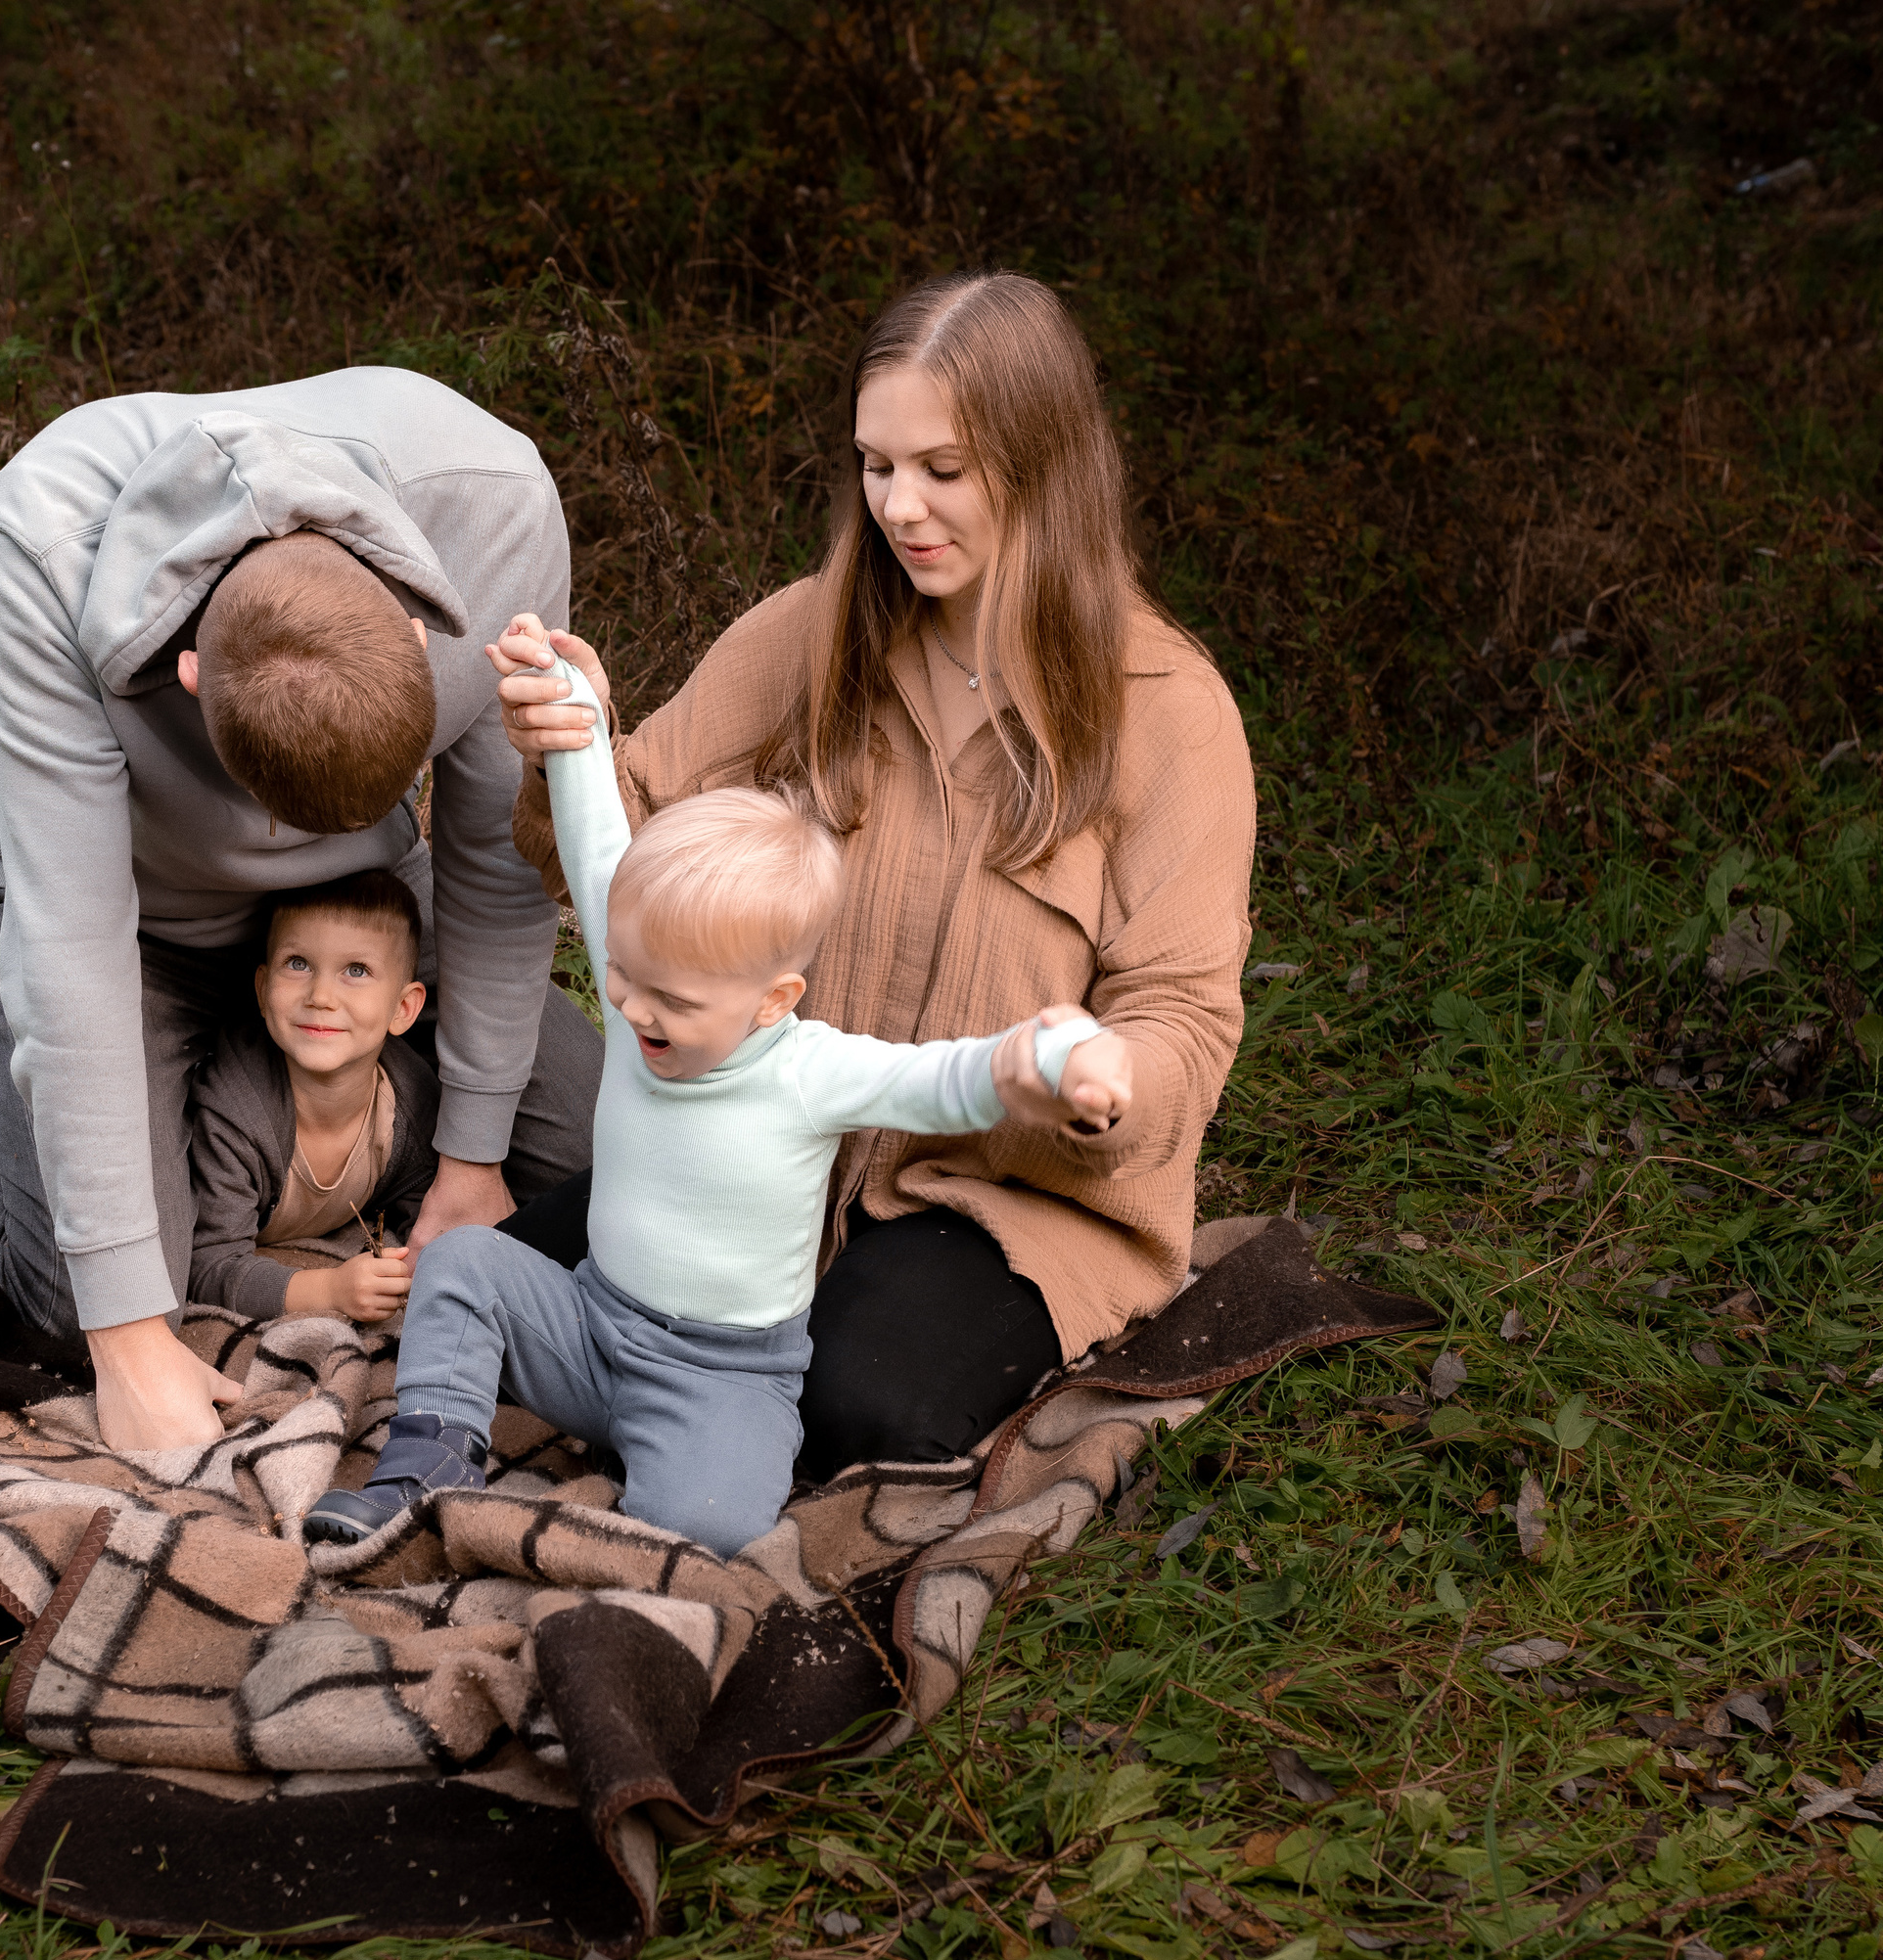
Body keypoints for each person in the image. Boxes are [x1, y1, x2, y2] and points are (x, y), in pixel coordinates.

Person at [489, 271, 1258, 1481]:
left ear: (1043, 465)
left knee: (850, 1404)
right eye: (875, 464)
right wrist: (565, 752)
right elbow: (629, 841)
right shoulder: (813, 630)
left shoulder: (1171, 715)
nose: (900, 506)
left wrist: (1108, 1080)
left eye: (943, 469)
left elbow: (1182, 1013)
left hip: (997, 1195)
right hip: (760, 1143)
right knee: (499, 1294)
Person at [0, 370, 603, 1449]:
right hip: (111, 910)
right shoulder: (42, 543)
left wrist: (475, 1156)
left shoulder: (496, 507)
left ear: (415, 626)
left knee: (595, 1160)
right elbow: (72, 949)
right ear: (190, 674)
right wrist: (122, 1335)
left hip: (356, 899)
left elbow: (489, 853)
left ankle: (311, 1133)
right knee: (71, 1301)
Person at [304, 655, 1109, 1554]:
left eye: (673, 1002)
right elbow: (596, 842)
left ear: (773, 999)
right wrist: (571, 708)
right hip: (588, 1322)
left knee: (709, 1526)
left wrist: (1042, 1058)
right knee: (462, 1264)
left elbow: (940, 1079)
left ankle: (649, 1519)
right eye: (622, 976)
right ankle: (428, 1464)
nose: (634, 1009)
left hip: (721, 1376)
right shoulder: (645, 987)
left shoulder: (810, 1072)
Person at [185, 870, 437, 1328]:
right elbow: (205, 1266)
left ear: (403, 1009)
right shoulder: (233, 1115)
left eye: (356, 970)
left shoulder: (408, 1106)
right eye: (298, 963)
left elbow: (427, 1205)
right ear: (263, 990)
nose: (321, 996)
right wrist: (329, 1290)